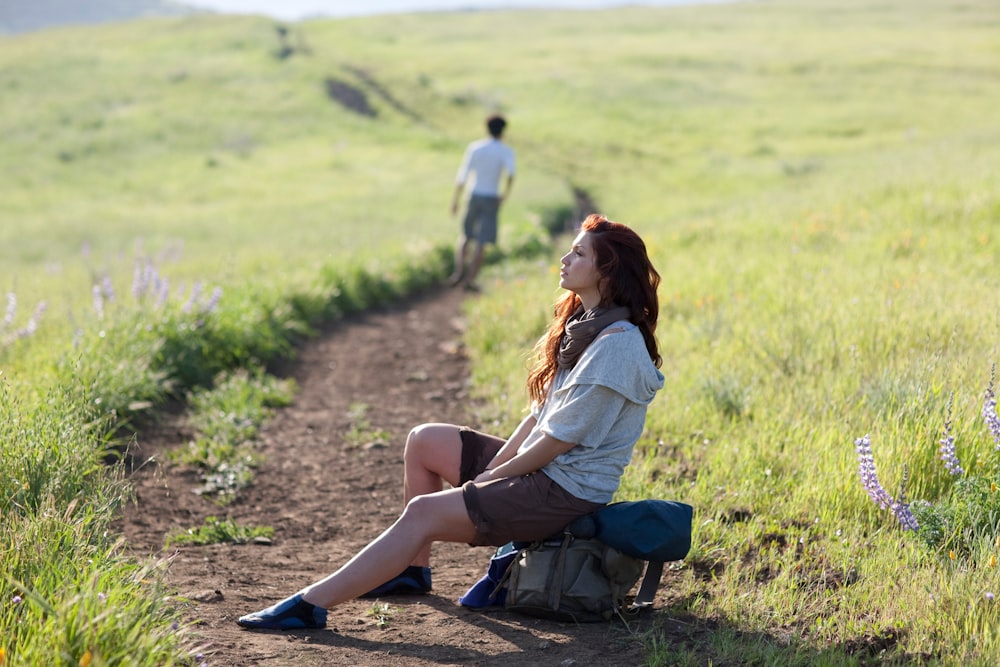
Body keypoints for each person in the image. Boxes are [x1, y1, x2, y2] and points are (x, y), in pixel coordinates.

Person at [238, 214, 665, 631]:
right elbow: (540, 415)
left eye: (577, 254)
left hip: (566, 491)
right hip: (544, 471)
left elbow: (558, 440)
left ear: (605, 271)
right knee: (423, 441)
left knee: (423, 512)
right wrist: (499, 460)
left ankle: (309, 605)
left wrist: (493, 477)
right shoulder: (585, 327)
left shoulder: (617, 346)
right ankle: (410, 571)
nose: (564, 260)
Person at [446, 113, 516, 291]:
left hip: (473, 194)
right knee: (482, 241)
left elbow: (463, 175)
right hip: (491, 197)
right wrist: (504, 195)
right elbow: (511, 174)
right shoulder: (505, 151)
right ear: (503, 131)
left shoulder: (475, 148)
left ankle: (458, 272)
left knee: (466, 235)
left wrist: (455, 200)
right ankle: (469, 279)